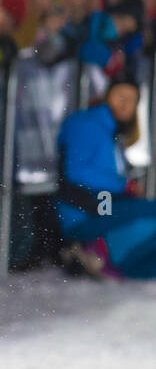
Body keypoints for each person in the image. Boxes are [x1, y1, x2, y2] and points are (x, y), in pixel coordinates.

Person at [55, 76, 156, 279]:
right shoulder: (87, 122)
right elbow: (76, 172)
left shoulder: (111, 130)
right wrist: (124, 184)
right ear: (106, 96)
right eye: (120, 96)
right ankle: (93, 249)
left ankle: (105, 260)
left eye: (132, 99)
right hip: (84, 212)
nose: (125, 104)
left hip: (102, 204)